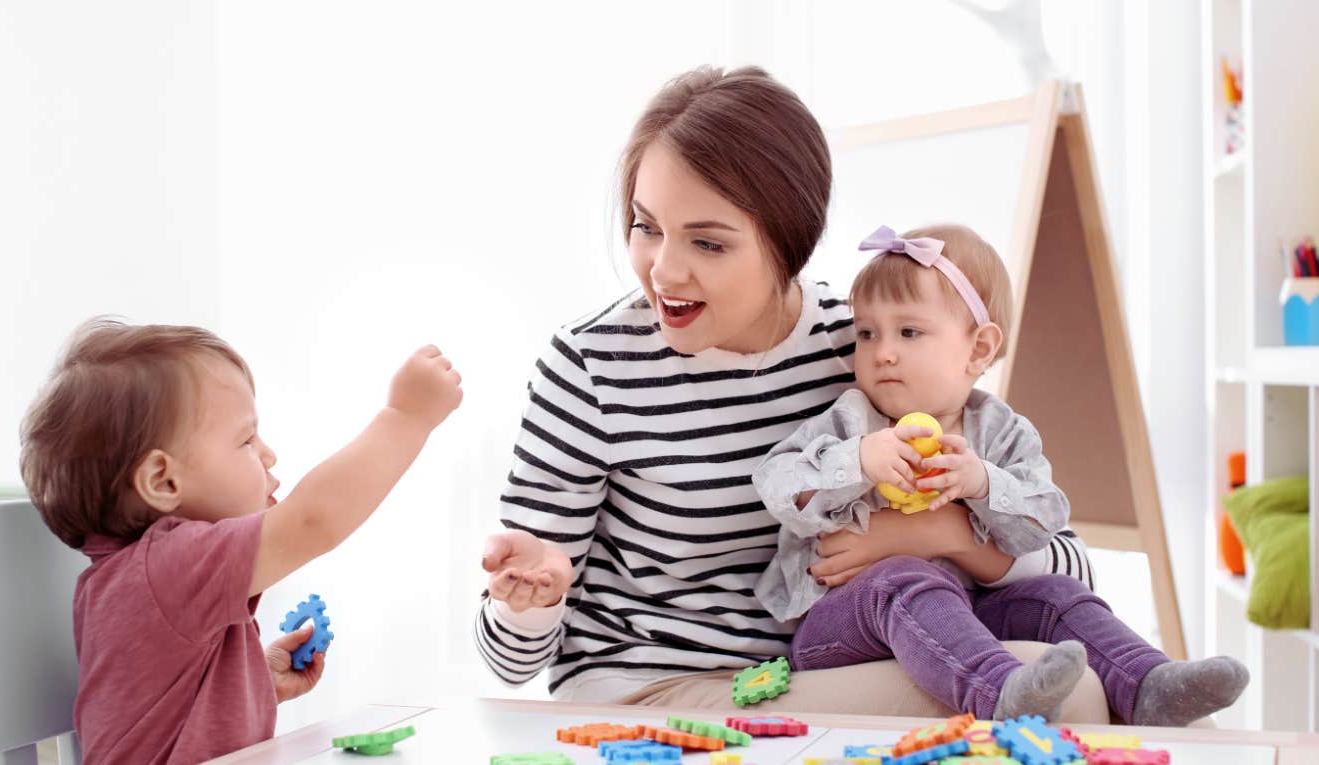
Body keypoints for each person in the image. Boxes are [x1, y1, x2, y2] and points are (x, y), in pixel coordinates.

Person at [472, 65, 1108, 718]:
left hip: (803, 672)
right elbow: (509, 663)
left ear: (790, 247)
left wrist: (944, 534)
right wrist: (530, 599)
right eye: (646, 226)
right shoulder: (590, 364)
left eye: (708, 241)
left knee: (1078, 682)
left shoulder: (865, 349)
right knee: (1063, 696)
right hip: (645, 695)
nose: (663, 269)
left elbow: (1069, 564)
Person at [752, 223, 1249, 725]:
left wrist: (984, 484)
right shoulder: (851, 419)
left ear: (980, 350)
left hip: (970, 615)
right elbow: (776, 483)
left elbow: (1045, 520)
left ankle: (1148, 683)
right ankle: (999, 690)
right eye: (866, 333)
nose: (882, 351)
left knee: (1059, 596)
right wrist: (858, 460)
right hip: (842, 623)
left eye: (909, 332)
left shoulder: (1002, 432)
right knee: (905, 579)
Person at [20, 318, 461, 763]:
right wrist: (407, 417)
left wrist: (255, 680)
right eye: (246, 439)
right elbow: (312, 520)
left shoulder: (140, 580)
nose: (268, 453)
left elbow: (163, 716)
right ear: (162, 480)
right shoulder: (167, 565)